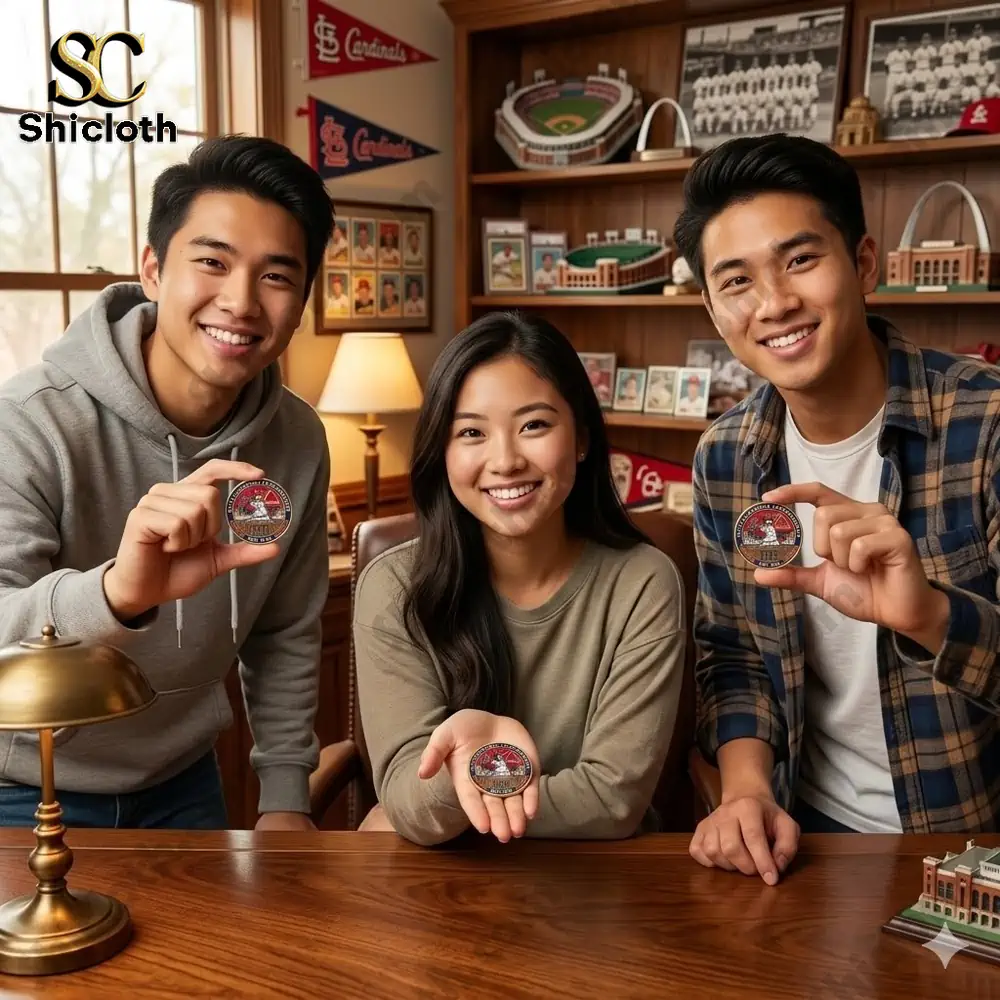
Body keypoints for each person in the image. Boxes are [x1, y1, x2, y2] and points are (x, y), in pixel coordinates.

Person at [672, 134, 1000, 883]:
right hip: (804, 841)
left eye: (799, 260)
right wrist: (747, 793)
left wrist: (928, 615)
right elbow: (734, 653)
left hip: (971, 844)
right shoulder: (727, 458)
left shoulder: (984, 427)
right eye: (737, 281)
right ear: (715, 309)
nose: (775, 303)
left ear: (862, 264)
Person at [0, 135, 335, 830]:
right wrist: (119, 592)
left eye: (276, 276)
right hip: (21, 785)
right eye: (211, 262)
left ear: (301, 302)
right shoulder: (29, 424)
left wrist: (284, 798)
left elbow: (287, 633)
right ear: (153, 269)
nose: (241, 302)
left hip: (185, 784)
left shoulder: (297, 441)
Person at [352, 312, 686, 845]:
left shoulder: (642, 583)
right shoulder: (394, 588)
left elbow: (612, 800)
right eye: (471, 433)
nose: (505, 460)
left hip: (600, 890)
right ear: (442, 452)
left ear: (580, 438)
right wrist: (466, 767)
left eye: (534, 425)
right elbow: (409, 802)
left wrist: (469, 786)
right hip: (443, 891)